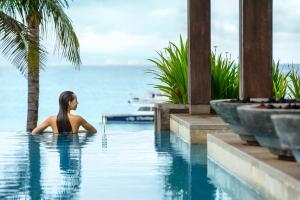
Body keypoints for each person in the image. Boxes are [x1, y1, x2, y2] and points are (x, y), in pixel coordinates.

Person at [32, 91, 97, 134]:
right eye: (76, 100)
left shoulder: (51, 119)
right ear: (69, 102)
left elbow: (34, 132)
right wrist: (80, 131)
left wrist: (51, 133)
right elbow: (94, 131)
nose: (77, 103)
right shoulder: (78, 119)